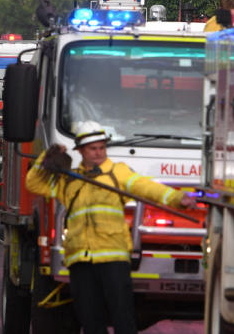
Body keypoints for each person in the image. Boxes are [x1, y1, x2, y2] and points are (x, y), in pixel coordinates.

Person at [25, 121, 196, 334]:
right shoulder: (69, 181)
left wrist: (178, 198)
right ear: (81, 151)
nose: (98, 153)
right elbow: (33, 183)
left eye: (101, 148)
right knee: (90, 320)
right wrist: (46, 157)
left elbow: (147, 188)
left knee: (122, 318)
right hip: (80, 260)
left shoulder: (118, 173)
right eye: (92, 148)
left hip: (113, 259)